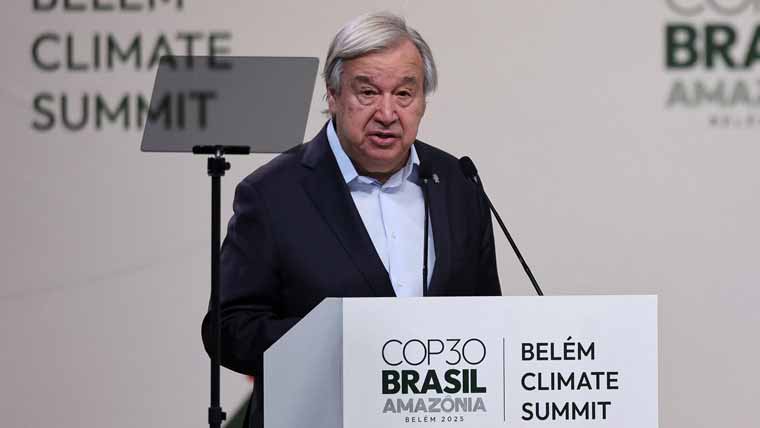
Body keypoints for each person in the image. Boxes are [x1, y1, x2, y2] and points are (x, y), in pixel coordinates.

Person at [201, 11, 501, 428]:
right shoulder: (272, 194)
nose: (387, 112)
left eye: (404, 94)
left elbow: (488, 317)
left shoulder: (458, 183)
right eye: (368, 92)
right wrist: (336, 342)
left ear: (423, 102)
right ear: (333, 95)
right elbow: (227, 330)